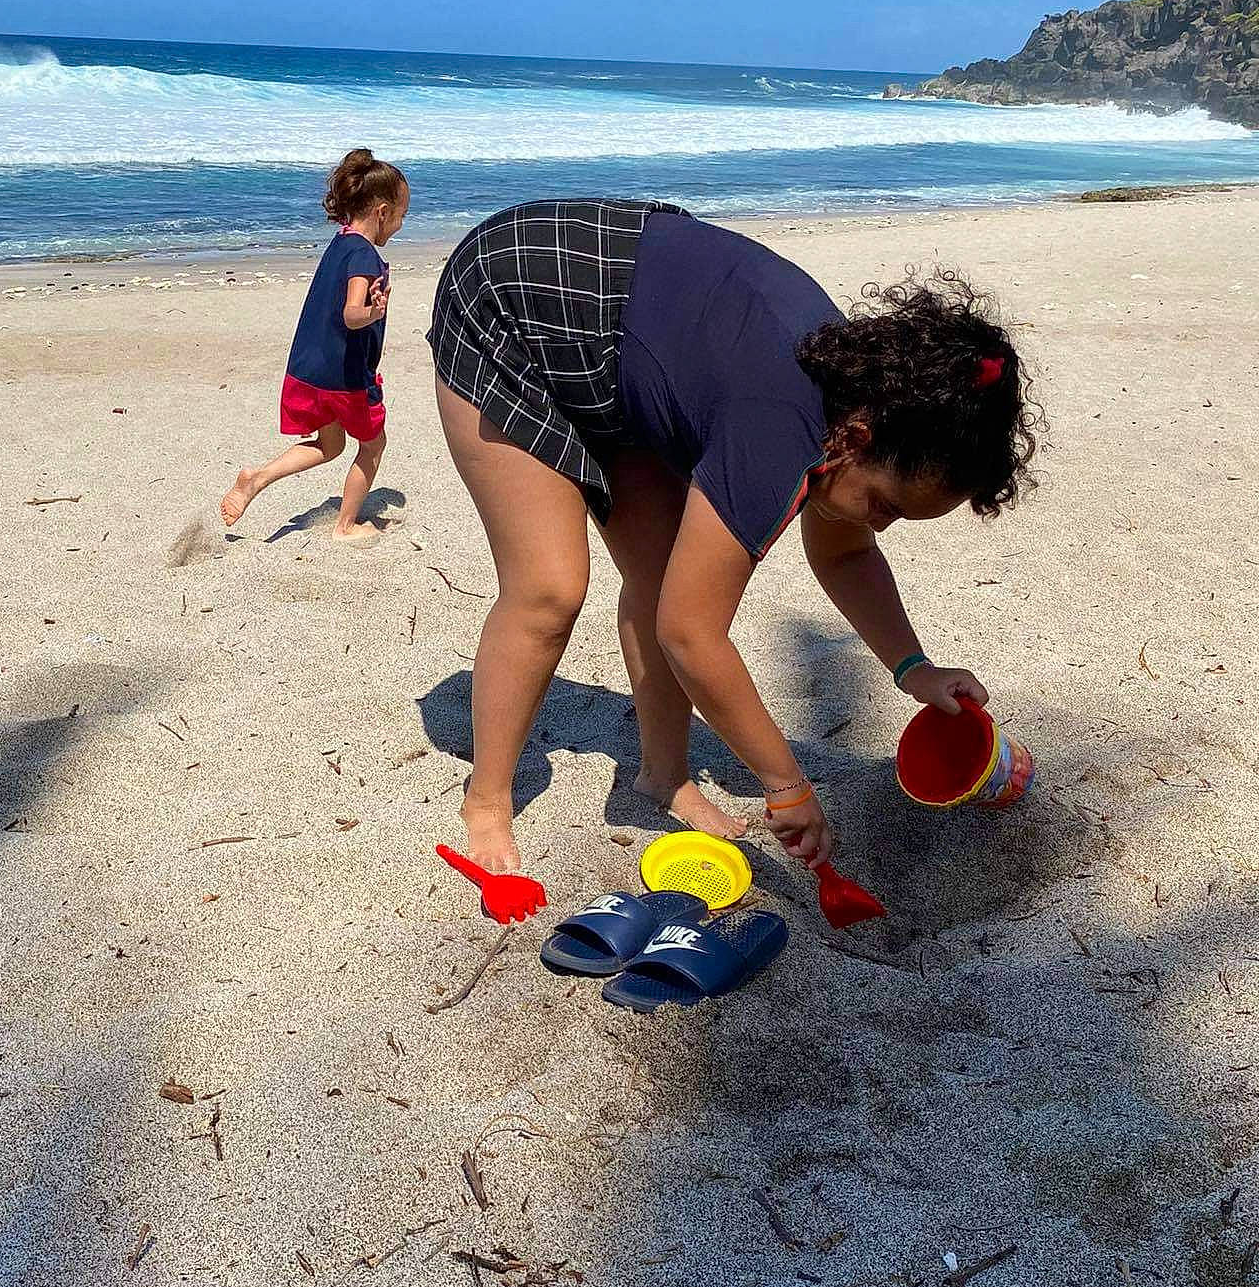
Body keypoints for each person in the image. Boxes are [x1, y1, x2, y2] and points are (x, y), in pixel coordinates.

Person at [428, 199, 1040, 872]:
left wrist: (912, 668)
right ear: (857, 440)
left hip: (617, 336)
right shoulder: (779, 424)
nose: (878, 525)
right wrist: (785, 784)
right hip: (514, 299)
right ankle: (486, 799)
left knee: (664, 578)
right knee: (549, 587)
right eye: (885, 506)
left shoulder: (859, 400)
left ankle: (662, 778)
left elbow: (845, 551)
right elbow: (693, 634)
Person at [221, 150, 409, 542]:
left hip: (310, 369)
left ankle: (256, 479)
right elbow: (351, 314)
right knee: (373, 445)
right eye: (401, 216)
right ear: (381, 211)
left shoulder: (340, 243)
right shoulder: (364, 255)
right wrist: (374, 313)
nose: (401, 225)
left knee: (330, 444)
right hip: (346, 380)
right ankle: (345, 525)